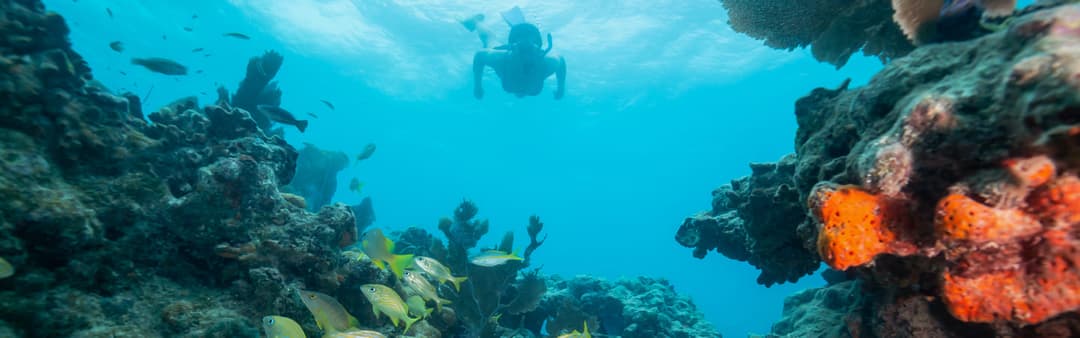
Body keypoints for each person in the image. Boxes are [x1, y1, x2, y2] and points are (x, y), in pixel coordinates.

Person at [466, 6, 566, 100]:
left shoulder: (501, 59)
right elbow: (560, 61)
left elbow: (480, 56)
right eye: (524, 51)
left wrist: (478, 86)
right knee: (490, 40)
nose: (526, 59)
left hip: (512, 56)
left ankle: (477, 22)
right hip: (512, 56)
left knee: (490, 40)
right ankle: (475, 21)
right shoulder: (547, 63)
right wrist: (560, 88)